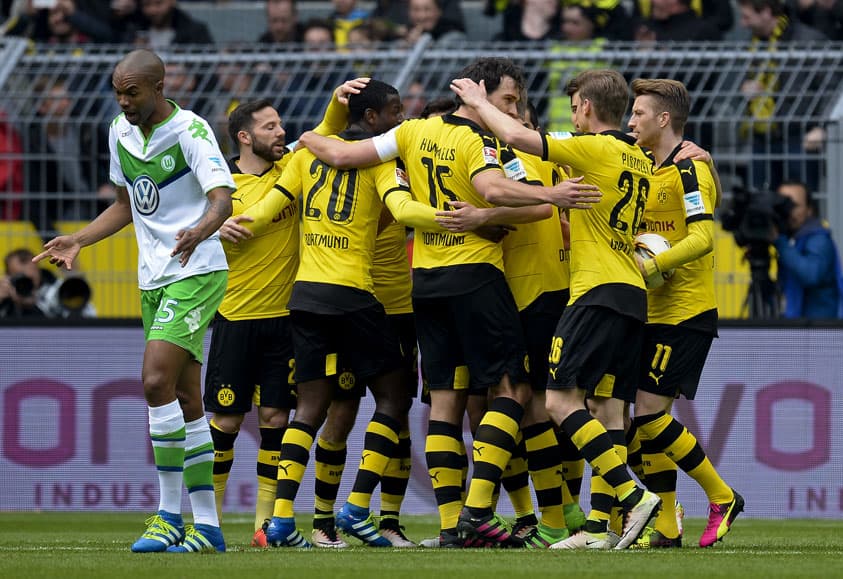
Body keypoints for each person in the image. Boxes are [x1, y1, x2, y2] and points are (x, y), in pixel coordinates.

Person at [299, 57, 601, 548]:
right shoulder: (477, 140)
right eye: (506, 100)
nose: (512, 111)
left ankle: (450, 526)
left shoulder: (414, 130)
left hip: (426, 283)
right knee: (514, 391)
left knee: (446, 402)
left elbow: (342, 155)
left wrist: (306, 138)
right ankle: (479, 512)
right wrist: (554, 194)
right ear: (477, 93)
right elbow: (490, 187)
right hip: (476, 277)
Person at [227, 79, 447, 549]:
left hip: (304, 298)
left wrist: (223, 225)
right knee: (394, 398)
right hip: (353, 296)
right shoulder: (379, 160)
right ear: (371, 118)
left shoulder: (305, 157)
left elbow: (266, 210)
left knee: (308, 408)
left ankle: (281, 522)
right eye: (393, 111)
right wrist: (447, 217)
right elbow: (402, 209)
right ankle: (355, 506)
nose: (400, 119)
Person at [449, 68, 664, 550]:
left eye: (574, 109)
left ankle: (631, 493)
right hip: (631, 293)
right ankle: (596, 528)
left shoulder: (597, 148)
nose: (572, 117)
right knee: (604, 408)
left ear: (586, 108)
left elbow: (513, 134)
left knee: (558, 401)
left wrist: (475, 100)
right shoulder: (640, 158)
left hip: (595, 292)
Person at [34, 49, 234, 553]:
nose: (124, 101)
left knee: (152, 380)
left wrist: (199, 232)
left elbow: (221, 199)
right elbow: (127, 204)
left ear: (159, 86)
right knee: (188, 401)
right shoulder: (118, 132)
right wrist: (80, 239)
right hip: (152, 277)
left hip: (196, 269)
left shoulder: (191, 130)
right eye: (118, 92)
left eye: (132, 92)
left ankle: (168, 515)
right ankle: (207, 527)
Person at [626, 78, 744, 549]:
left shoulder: (690, 169)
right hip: (650, 309)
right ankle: (668, 527)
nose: (630, 121)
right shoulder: (641, 168)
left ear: (663, 119)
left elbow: (702, 239)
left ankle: (722, 496)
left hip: (686, 311)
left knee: (651, 418)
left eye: (638, 113)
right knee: (641, 426)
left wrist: (653, 265)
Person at [202, 99, 298, 549]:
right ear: (245, 136)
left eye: (280, 125)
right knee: (225, 421)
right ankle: (210, 522)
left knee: (277, 419)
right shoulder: (218, 186)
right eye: (270, 126)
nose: (281, 132)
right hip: (235, 317)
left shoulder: (291, 169)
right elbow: (173, 226)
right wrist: (212, 227)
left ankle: (265, 526)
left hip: (286, 320)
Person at [773, 180, 843, 319]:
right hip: (801, 329)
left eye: (794, 205)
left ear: (809, 209)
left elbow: (811, 274)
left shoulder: (819, 238)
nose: (789, 212)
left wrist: (779, 241)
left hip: (821, 331)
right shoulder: (790, 238)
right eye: (783, 205)